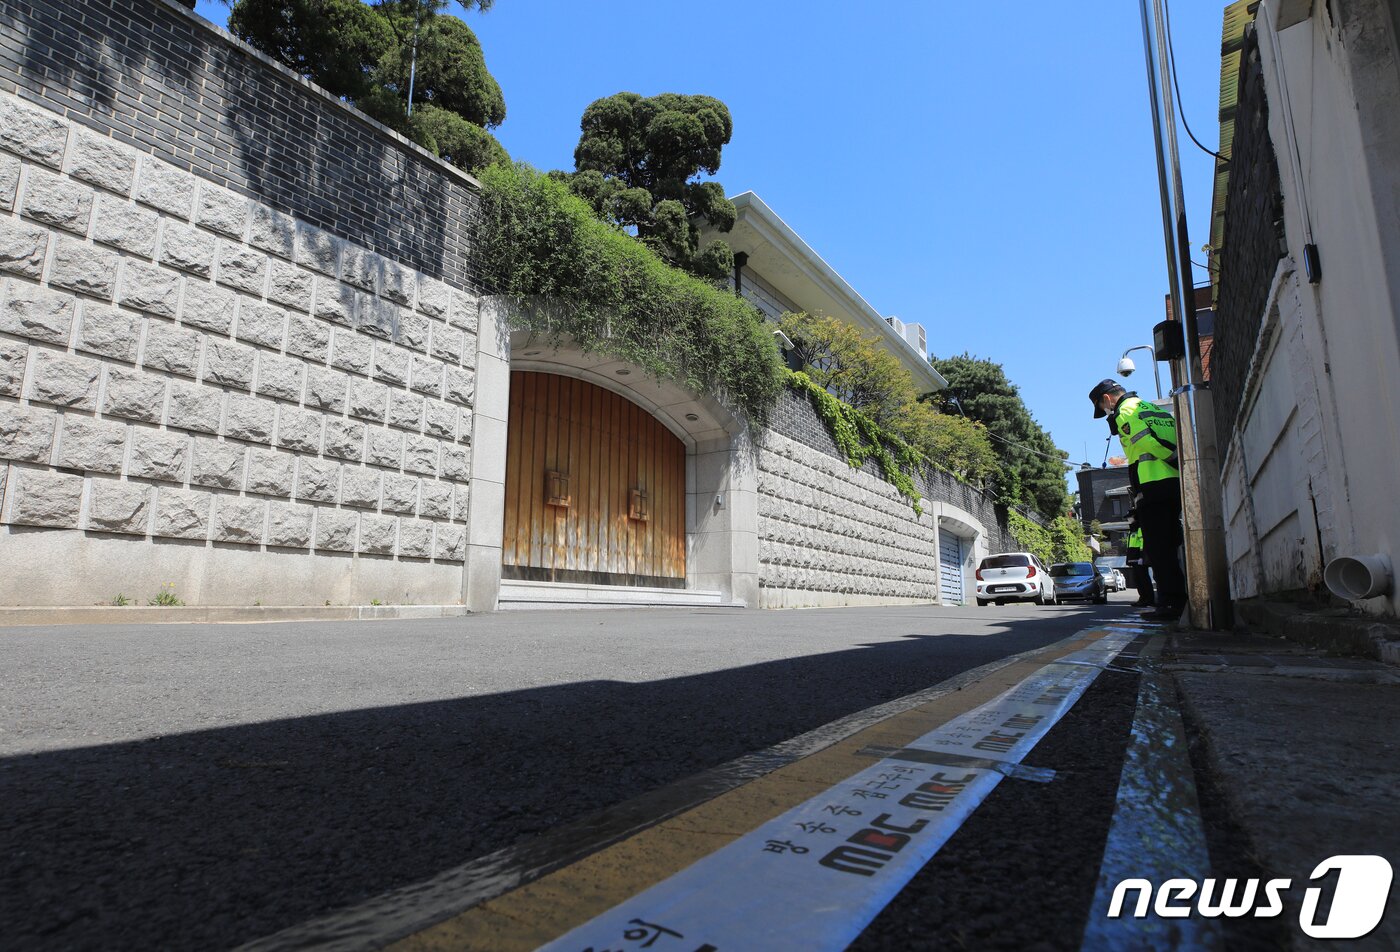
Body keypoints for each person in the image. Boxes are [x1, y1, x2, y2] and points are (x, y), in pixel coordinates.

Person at [1088, 379, 1186, 621]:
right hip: (1173, 483)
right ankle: (1176, 601)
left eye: (1103, 407)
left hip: (1152, 484)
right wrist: (1177, 461)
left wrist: (1170, 457)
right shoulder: (1149, 407)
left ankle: (1170, 604)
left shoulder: (1125, 412)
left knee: (1158, 549)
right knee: (1170, 545)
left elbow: (1145, 440)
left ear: (1107, 399)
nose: (1106, 412)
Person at [1124, 510, 1155, 608]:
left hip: (1138, 559)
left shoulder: (1139, 528)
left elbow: (1142, 543)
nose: (1128, 519)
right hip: (1134, 559)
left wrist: (1142, 557)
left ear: (1134, 517)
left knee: (1143, 579)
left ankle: (1148, 599)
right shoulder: (1132, 529)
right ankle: (1143, 598)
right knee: (1138, 580)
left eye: (1129, 517)